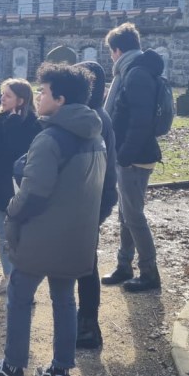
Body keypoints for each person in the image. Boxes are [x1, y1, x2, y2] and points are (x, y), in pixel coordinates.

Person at [0, 62, 105, 376]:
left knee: (19, 295)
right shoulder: (95, 135)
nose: (39, 96)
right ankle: (60, 371)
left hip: (42, 234)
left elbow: (33, 192)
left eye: (43, 91)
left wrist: (12, 213)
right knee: (64, 298)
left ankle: (12, 368)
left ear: (59, 99)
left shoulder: (50, 138)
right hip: (76, 235)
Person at [101, 23, 165, 293]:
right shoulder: (131, 70)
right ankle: (124, 265)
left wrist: (124, 155)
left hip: (135, 155)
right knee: (125, 215)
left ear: (117, 50)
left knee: (133, 215)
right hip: (128, 153)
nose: (111, 58)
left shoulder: (136, 74)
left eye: (111, 52)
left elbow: (141, 121)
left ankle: (149, 272)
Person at [0, 78, 41, 295]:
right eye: (3, 94)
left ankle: (21, 285)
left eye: (8, 95)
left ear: (21, 100)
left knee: (20, 237)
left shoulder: (32, 125)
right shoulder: (0, 120)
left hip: (16, 190)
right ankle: (9, 277)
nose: (2, 98)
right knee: (2, 236)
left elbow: (22, 157)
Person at [74, 61, 118, 349]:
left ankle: (89, 325)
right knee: (84, 262)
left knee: (86, 264)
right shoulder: (95, 115)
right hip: (96, 197)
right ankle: (86, 320)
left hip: (92, 198)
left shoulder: (94, 119)